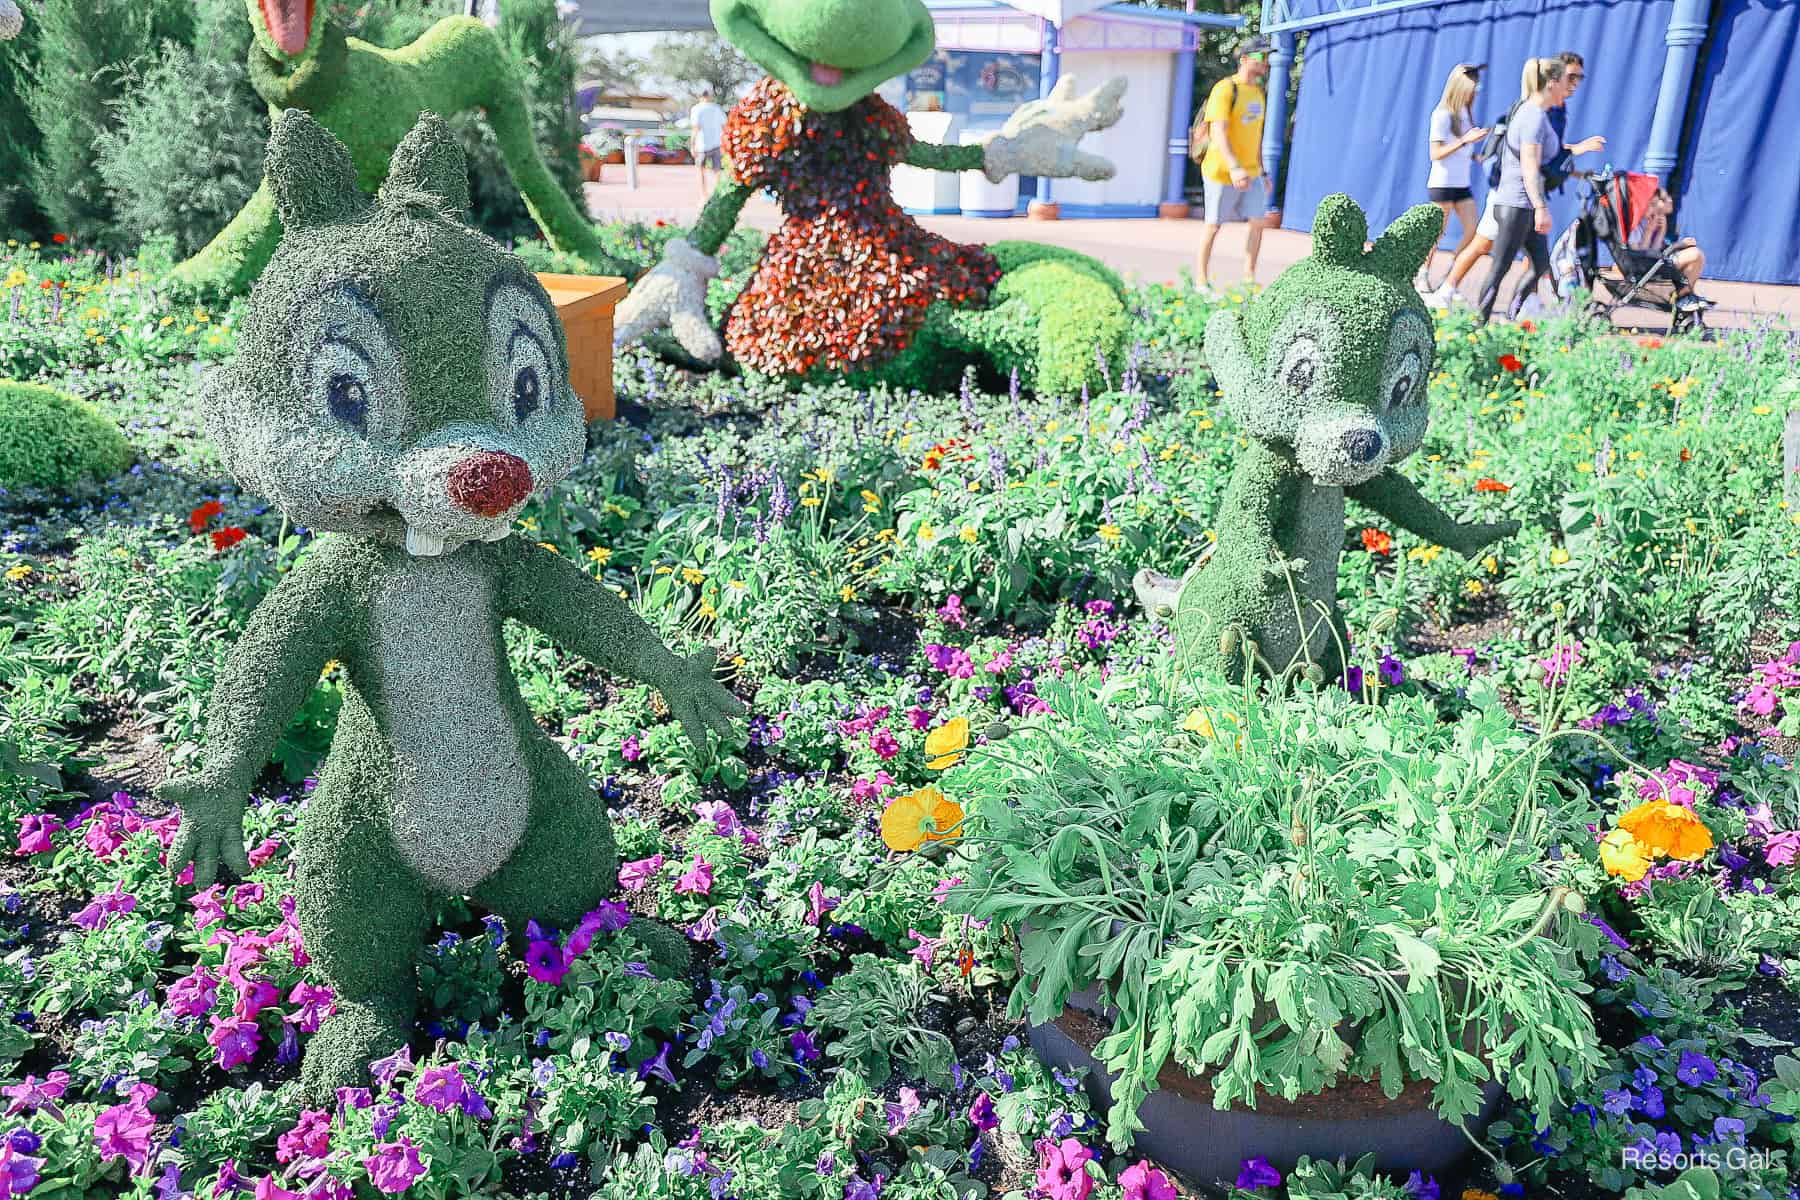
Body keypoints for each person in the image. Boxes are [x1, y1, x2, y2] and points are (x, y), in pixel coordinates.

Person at [1194, 36, 1271, 287]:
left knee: (1258, 223)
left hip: (1252, 172)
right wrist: (1235, 167)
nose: (1265, 62)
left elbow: (1255, 136)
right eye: (1260, 56)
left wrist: (1263, 172)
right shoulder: (1226, 88)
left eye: (1266, 57)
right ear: (1246, 59)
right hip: (1221, 171)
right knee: (1213, 226)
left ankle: (1249, 278)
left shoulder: (1258, 93)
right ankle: (1201, 281)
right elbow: (1218, 132)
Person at [1424, 64, 1489, 286]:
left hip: (1462, 184)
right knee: (1435, 235)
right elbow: (1436, 153)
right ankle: (1423, 276)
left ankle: (1450, 272)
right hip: (1442, 185)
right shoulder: (1441, 115)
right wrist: (1464, 141)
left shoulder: (1465, 114)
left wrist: (1476, 157)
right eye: (1473, 87)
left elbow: (1461, 150)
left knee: (1473, 230)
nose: (1475, 92)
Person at [1630, 187, 1710, 310]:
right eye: (1652, 204)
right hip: (1648, 266)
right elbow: (1641, 257)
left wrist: (1660, 231)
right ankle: (1683, 298)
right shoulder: (1636, 226)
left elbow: (1654, 251)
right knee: (1696, 255)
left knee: (1696, 257)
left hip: (1656, 262)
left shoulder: (1651, 221)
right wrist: (1650, 232)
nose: (1670, 200)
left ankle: (1684, 296)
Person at [688, 87, 727, 197]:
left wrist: (692, 145)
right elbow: (725, 126)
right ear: (709, 96)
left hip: (702, 145)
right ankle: (717, 194)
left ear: (699, 97)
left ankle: (703, 195)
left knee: (700, 170)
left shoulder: (696, 109)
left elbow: (695, 128)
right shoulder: (717, 108)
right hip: (716, 144)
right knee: (717, 171)